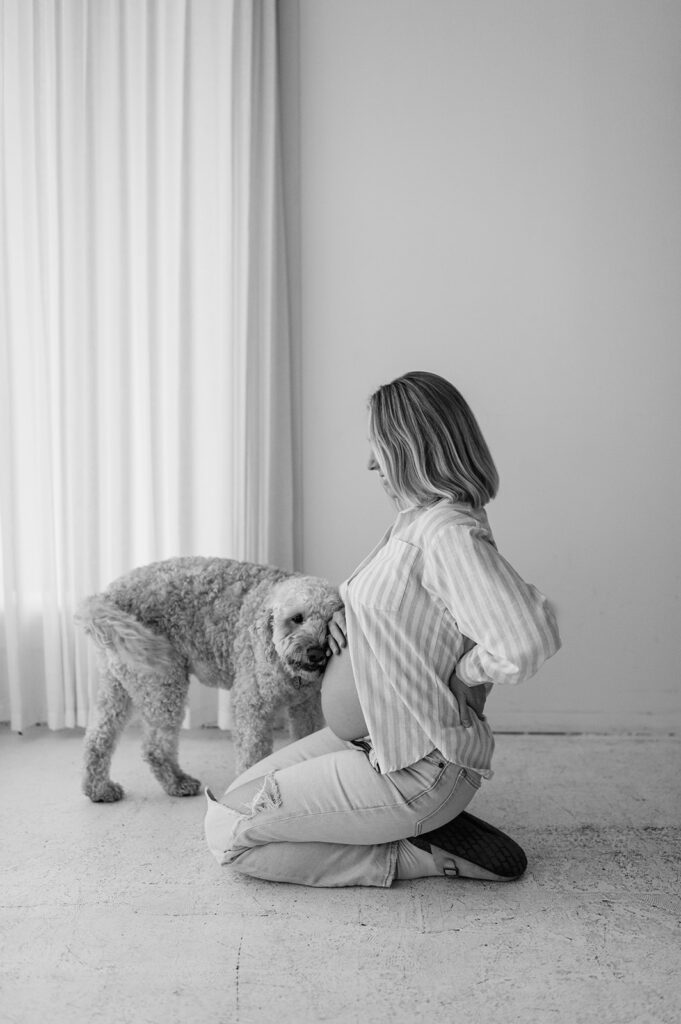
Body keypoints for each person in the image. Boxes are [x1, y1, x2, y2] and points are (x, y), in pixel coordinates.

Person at [204, 371, 561, 886]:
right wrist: (355, 618)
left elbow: (529, 637)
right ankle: (399, 826)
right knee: (237, 794)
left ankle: (418, 853)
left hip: (413, 769)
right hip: (371, 740)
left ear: (411, 446)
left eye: (379, 446)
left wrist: (467, 673)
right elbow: (413, 612)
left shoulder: (447, 533)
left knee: (225, 832)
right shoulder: (413, 522)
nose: (371, 462)